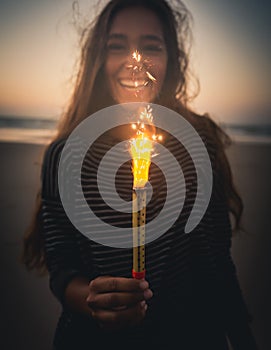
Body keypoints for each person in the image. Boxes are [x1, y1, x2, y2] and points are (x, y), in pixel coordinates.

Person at [22, 0, 258, 349]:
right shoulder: (66, 155)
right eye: (117, 46)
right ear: (99, 60)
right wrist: (94, 300)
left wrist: (242, 338)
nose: (135, 61)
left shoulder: (198, 144)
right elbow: (63, 272)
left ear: (171, 61)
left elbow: (216, 265)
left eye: (151, 46)